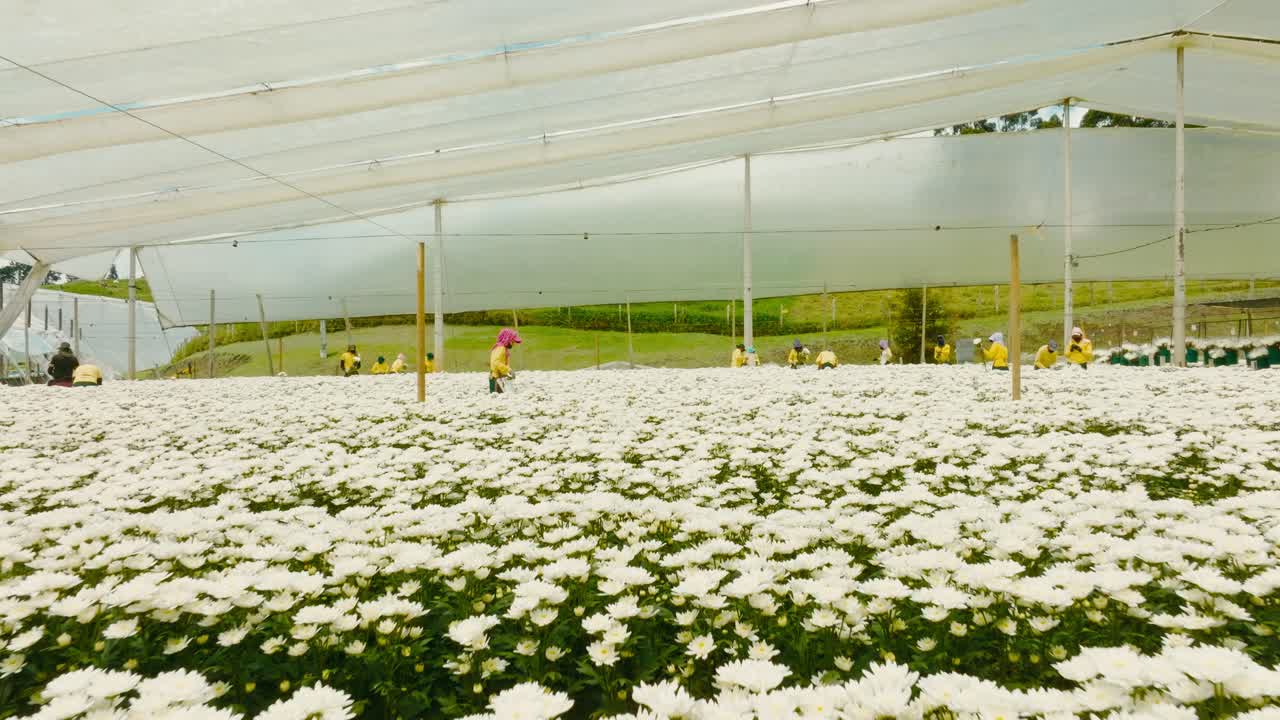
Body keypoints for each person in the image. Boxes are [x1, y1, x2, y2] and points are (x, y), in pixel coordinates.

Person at [489, 328, 521, 393]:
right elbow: (496, 362)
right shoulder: (501, 348)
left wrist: (508, 371)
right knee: (497, 396)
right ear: (508, 339)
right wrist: (507, 370)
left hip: (497, 377)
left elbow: (502, 363)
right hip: (496, 378)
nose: (513, 344)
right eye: (512, 341)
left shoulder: (500, 348)